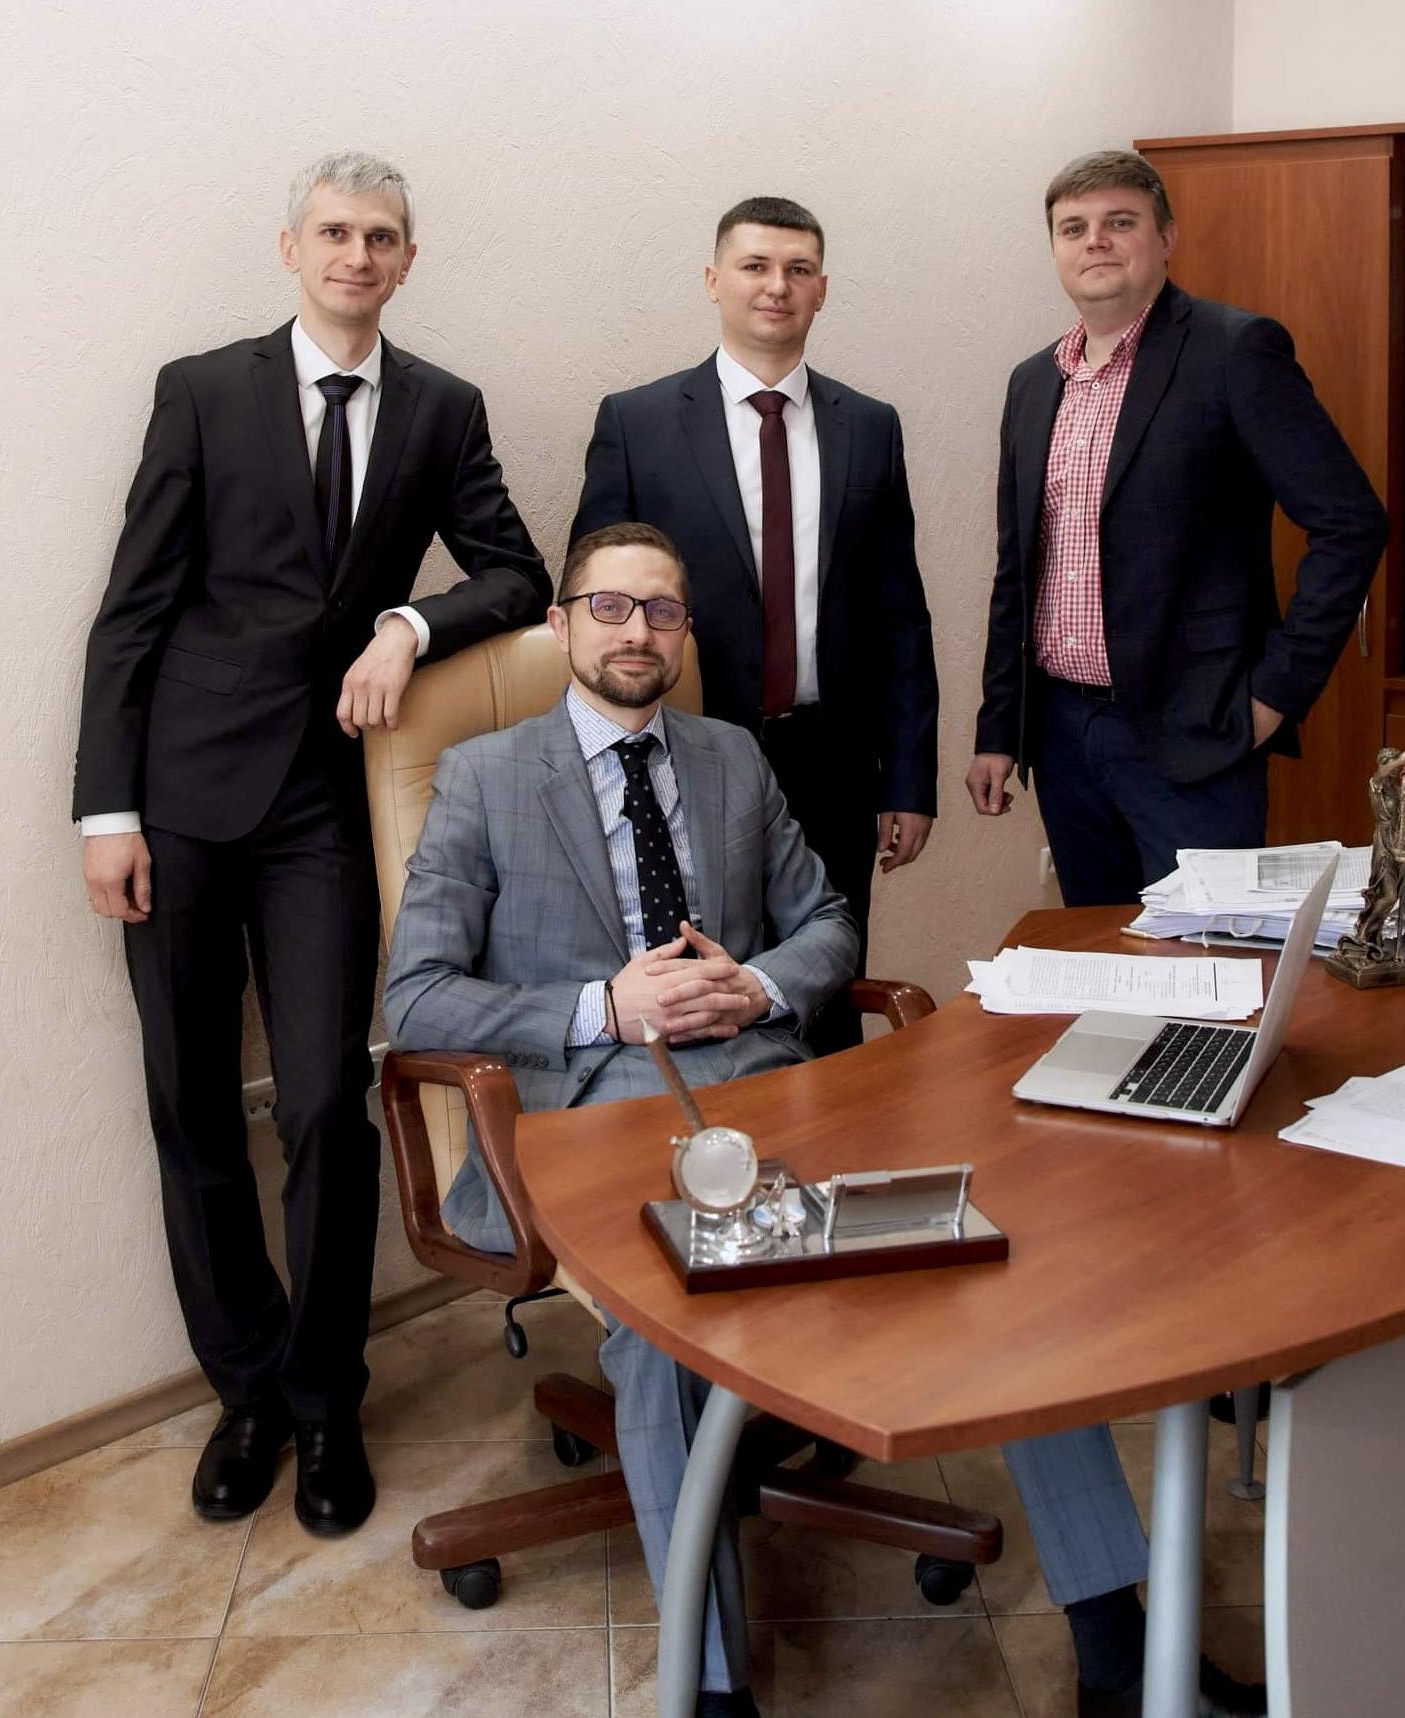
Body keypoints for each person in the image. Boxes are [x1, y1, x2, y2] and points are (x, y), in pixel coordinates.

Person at [384, 524, 1262, 1718]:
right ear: (561, 623)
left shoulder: (731, 757)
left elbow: (830, 924)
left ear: (685, 633)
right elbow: (415, 996)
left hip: (772, 1089)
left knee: (980, 1239)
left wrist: (758, 984)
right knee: (667, 1327)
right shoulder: (486, 777)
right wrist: (604, 1004)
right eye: (610, 607)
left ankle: (1119, 1651)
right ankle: (713, 1688)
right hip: (590, 1110)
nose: (637, 631)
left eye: (661, 611)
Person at [72, 151, 551, 1535]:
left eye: (381, 235)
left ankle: (327, 1396)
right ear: (292, 248)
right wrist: (107, 810)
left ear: (407, 259)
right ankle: (247, 1394)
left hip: (323, 810)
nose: (357, 254)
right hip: (177, 802)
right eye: (334, 231)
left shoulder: (443, 407)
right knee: (191, 1103)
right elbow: (133, 608)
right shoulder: (202, 390)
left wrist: (408, 624)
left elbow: (518, 571)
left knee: (330, 1102)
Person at [967, 150, 1387, 904]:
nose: (1095, 241)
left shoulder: (1234, 350)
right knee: (1098, 951)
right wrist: (1000, 728)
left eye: (1119, 222)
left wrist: (1275, 694)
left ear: (1165, 237)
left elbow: (1350, 522)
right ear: (1055, 249)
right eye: (1073, 228)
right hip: (1062, 735)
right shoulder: (1033, 383)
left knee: (1205, 956)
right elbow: (1018, 571)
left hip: (1195, 731)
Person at [570, 196, 938, 1049]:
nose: (777, 286)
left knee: (825, 985)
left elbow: (901, 617)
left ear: (821, 290)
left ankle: (830, 1134)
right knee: (703, 990)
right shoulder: (638, 422)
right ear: (714, 280)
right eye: (755, 266)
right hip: (683, 755)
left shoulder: (869, 427)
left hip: (834, 762)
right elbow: (598, 603)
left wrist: (908, 778)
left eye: (798, 270)